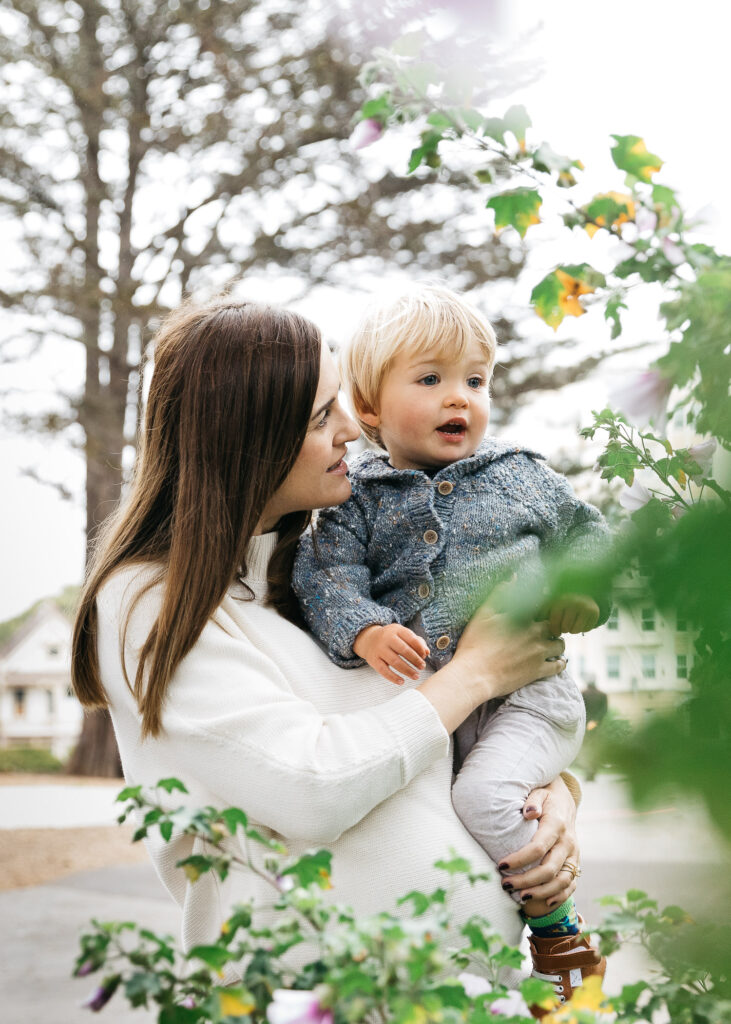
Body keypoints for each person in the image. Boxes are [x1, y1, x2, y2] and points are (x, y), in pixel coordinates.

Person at [71, 296, 582, 996]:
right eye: (321, 415)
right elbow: (308, 787)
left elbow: (426, 752)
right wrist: (475, 673)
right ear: (247, 438)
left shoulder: (319, 578)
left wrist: (545, 798)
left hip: (461, 999)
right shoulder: (147, 600)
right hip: (314, 1001)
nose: (351, 428)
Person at [293, 285, 608, 998]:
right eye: (430, 380)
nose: (458, 398)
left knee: (484, 797)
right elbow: (325, 579)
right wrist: (365, 628)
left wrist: (583, 592)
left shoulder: (519, 476)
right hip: (440, 703)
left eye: (473, 380)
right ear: (368, 407)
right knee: (464, 809)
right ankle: (481, 976)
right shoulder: (358, 500)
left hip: (529, 695)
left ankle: (558, 936)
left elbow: (591, 536)